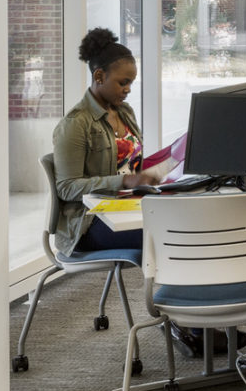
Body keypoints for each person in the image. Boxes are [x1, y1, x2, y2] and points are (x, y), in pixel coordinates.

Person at [51, 28, 163, 257]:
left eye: (131, 83)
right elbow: (66, 187)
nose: (128, 89)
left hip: (127, 208)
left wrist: (148, 175)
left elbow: (131, 163)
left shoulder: (124, 111)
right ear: (99, 76)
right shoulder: (75, 124)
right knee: (169, 233)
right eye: (123, 82)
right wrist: (124, 181)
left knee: (184, 219)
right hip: (90, 223)